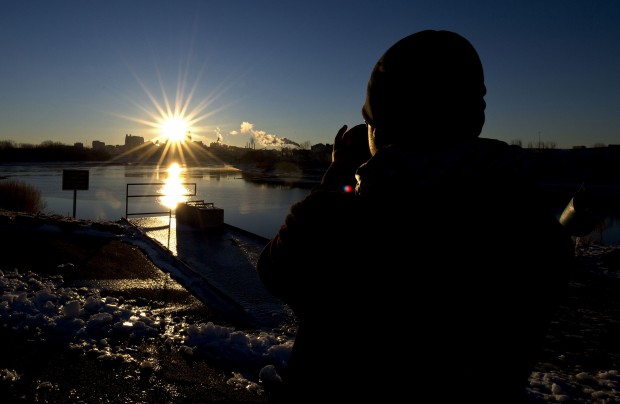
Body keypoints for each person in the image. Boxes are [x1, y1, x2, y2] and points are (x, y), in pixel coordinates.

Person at [257, 30, 576, 403]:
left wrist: (341, 175)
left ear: (381, 126)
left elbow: (274, 272)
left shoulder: (337, 218)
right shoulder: (536, 232)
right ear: (474, 116)